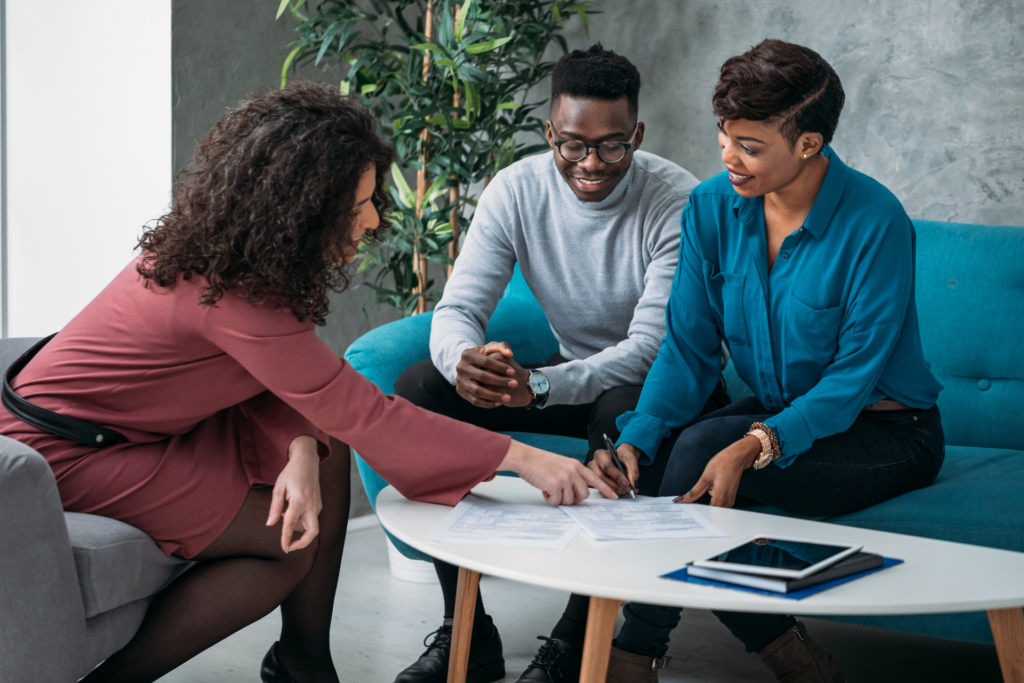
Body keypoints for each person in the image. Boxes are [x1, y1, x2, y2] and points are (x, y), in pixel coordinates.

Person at [0, 81, 615, 683]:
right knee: (289, 544)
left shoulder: (234, 259)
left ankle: (303, 661)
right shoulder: (232, 296)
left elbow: (284, 382)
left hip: (130, 429)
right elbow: (364, 411)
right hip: (65, 452)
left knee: (324, 445)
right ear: (300, 210)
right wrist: (522, 457)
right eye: (357, 207)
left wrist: (298, 446)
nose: (373, 220)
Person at [587, 39, 945, 683]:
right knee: (646, 443)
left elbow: (851, 379)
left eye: (750, 146)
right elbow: (689, 349)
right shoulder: (710, 208)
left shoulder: (876, 221)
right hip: (779, 410)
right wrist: (638, 437)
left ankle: (633, 652)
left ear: (808, 144)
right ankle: (792, 655)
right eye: (724, 136)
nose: (729, 156)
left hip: (884, 431)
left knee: (700, 452)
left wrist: (759, 442)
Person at [392, 44, 729, 683]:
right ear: (550, 132)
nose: (591, 164)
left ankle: (577, 640)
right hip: (569, 376)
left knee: (622, 410)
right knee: (417, 391)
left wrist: (542, 386)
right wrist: (465, 361)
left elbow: (651, 347)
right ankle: (466, 629)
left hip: (665, 389)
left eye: (612, 145)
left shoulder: (677, 201)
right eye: (572, 145)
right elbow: (458, 305)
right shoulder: (516, 189)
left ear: (638, 134)